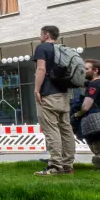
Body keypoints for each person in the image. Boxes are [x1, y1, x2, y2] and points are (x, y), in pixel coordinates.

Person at [33, 25, 74, 176]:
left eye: (41, 33)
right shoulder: (63, 49)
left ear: (46, 34)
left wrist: (37, 89)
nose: (40, 36)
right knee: (66, 130)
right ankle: (67, 166)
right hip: (63, 95)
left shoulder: (42, 48)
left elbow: (41, 69)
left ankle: (56, 167)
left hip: (48, 95)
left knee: (52, 130)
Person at [73, 59, 100, 141]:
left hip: (95, 121)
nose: (83, 71)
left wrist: (76, 115)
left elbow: (85, 107)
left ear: (95, 70)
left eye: (86, 69)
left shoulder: (94, 85)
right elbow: (82, 83)